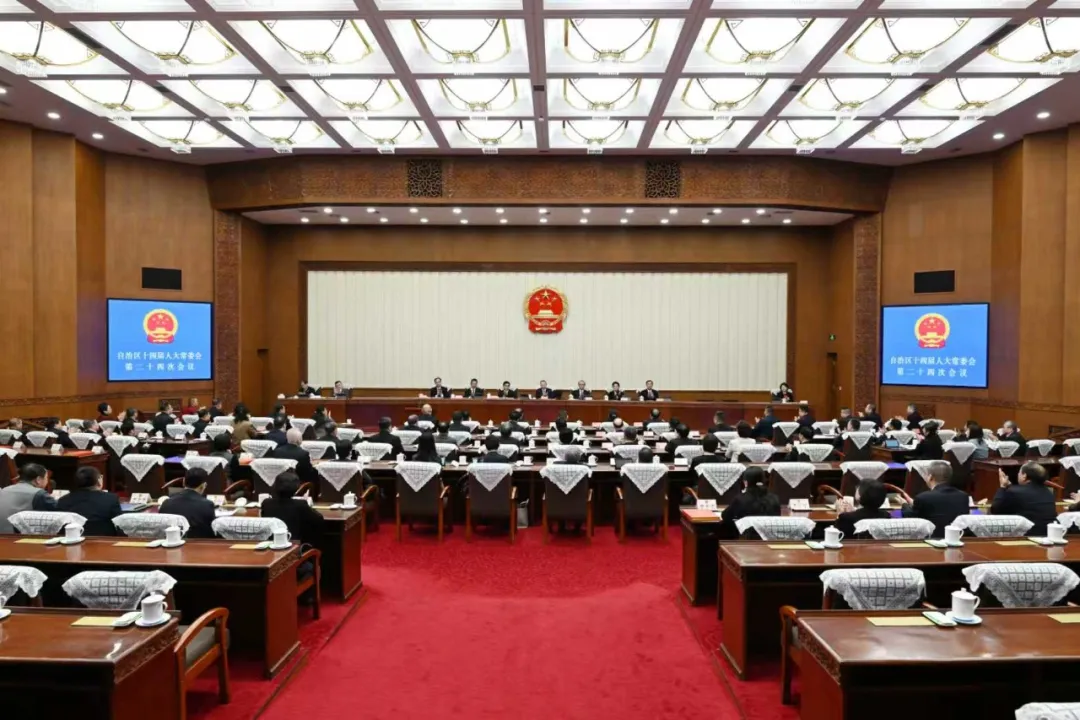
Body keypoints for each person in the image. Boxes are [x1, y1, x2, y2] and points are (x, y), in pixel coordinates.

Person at [261, 470, 325, 574]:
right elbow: (319, 520)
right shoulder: (301, 504)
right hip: (294, 557)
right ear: (296, 488)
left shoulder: (266, 503)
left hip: (270, 555)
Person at [901, 462, 969, 537]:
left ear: (930, 477)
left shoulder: (923, 497)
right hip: (957, 538)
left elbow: (911, 520)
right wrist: (914, 503)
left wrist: (904, 504)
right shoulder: (963, 496)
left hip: (932, 539)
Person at [991, 462, 1056, 536]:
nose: (1018, 475)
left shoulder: (1014, 492)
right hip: (1048, 534)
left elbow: (995, 510)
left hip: (1027, 536)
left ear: (1024, 476)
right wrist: (1009, 487)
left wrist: (1002, 487)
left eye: (1019, 473)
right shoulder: (1049, 493)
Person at [57, 466, 122, 537]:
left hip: (71, 540)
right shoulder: (111, 499)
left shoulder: (63, 500)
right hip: (104, 541)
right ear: (98, 481)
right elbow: (120, 525)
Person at [159, 468, 216, 539]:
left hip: (171, 541)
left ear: (183, 482)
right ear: (203, 485)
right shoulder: (207, 505)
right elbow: (213, 530)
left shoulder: (166, 502)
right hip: (198, 544)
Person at [720, 467, 781, 534]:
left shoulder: (740, 499)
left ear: (746, 482)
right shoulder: (775, 498)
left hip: (746, 538)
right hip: (770, 537)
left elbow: (725, 516)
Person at [0, 464, 56, 533]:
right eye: (46, 478)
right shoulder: (39, 494)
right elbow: (60, 511)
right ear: (38, 480)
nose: (47, 481)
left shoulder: (4, 490)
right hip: (20, 537)